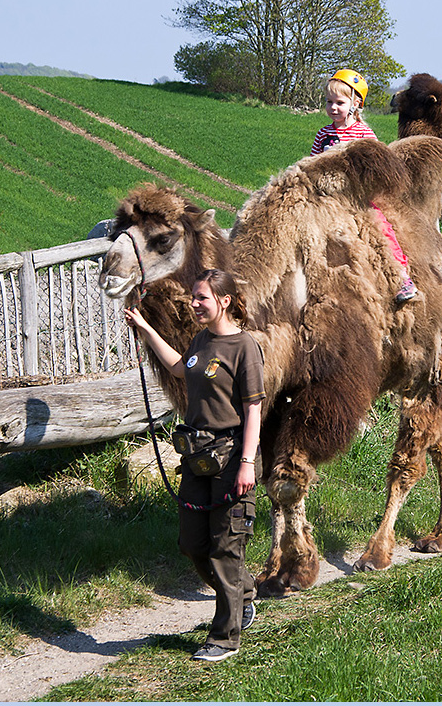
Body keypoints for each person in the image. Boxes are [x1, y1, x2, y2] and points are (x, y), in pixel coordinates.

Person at [124, 268, 265, 662]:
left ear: (224, 301)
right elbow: (177, 368)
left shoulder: (244, 348)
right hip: (197, 456)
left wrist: (248, 463)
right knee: (192, 544)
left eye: (201, 297)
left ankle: (224, 637)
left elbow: (253, 410)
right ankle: (245, 594)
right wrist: (146, 329)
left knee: (225, 548)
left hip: (232, 457)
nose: (194, 304)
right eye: (193, 297)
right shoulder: (201, 340)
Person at [311, 69, 419, 303]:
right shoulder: (323, 135)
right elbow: (311, 164)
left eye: (339, 102)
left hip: (357, 196)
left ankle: (402, 278)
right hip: (328, 197)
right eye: (329, 102)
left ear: (356, 103)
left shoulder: (364, 134)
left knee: (381, 228)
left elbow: (377, 165)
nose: (333, 108)